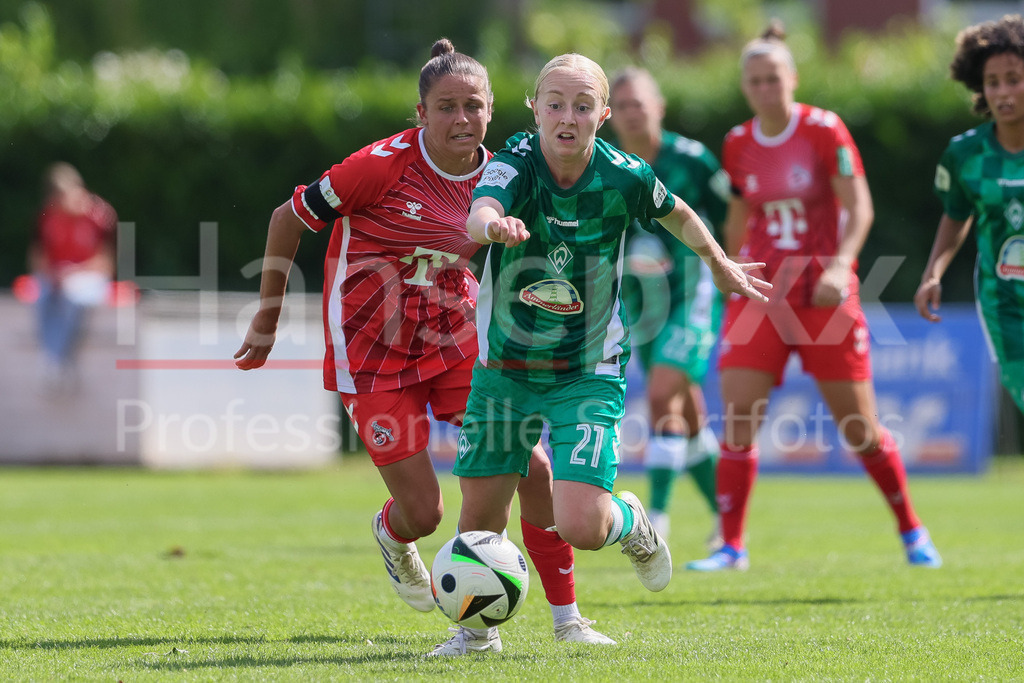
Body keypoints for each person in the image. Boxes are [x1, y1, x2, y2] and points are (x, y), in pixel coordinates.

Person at [233, 39, 614, 656]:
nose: (460, 120)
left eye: (473, 106)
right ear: (420, 113)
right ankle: (390, 534)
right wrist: (268, 316)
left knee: (533, 467)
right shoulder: (379, 167)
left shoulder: (504, 176)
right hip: (371, 350)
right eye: (445, 108)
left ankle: (568, 617)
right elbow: (287, 217)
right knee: (424, 514)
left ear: (492, 110)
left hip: (454, 339)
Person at [449, 51, 770, 650]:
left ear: (601, 114)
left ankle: (630, 521)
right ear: (535, 109)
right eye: (555, 104)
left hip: (587, 369)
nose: (566, 117)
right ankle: (475, 635)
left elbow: (678, 213)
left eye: (581, 105)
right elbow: (479, 212)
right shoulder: (515, 161)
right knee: (478, 516)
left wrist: (718, 263)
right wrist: (492, 227)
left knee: (582, 526)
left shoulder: (624, 173)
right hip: (505, 366)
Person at [686, 22, 943, 572]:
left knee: (860, 429)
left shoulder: (824, 129)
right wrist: (729, 270)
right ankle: (731, 547)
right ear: (745, 86)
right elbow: (736, 222)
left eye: (773, 77)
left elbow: (861, 207)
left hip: (823, 296)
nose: (764, 87)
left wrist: (842, 266)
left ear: (792, 78)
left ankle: (912, 531)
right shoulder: (738, 143)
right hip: (761, 296)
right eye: (754, 80)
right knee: (737, 422)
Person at [608, 67, 730, 546]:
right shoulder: (607, 165)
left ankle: (656, 517)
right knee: (687, 410)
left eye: (640, 103)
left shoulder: (693, 160)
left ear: (659, 106)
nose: (632, 113)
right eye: (621, 105)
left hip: (693, 293)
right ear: (608, 115)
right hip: (640, 303)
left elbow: (730, 216)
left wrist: (729, 269)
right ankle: (728, 519)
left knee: (660, 395)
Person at [916, 14, 1024, 414]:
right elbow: (956, 214)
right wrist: (932, 274)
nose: (1003, 92)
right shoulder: (965, 154)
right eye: (992, 82)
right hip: (1005, 301)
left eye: (1014, 78)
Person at [28, 162, 116, 392]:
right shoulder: (47, 217)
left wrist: (72, 273)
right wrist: (54, 274)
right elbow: (38, 257)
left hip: (88, 280)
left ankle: (56, 360)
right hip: (58, 279)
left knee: (71, 295)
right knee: (44, 294)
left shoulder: (100, 217)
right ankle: (53, 361)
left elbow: (106, 264)